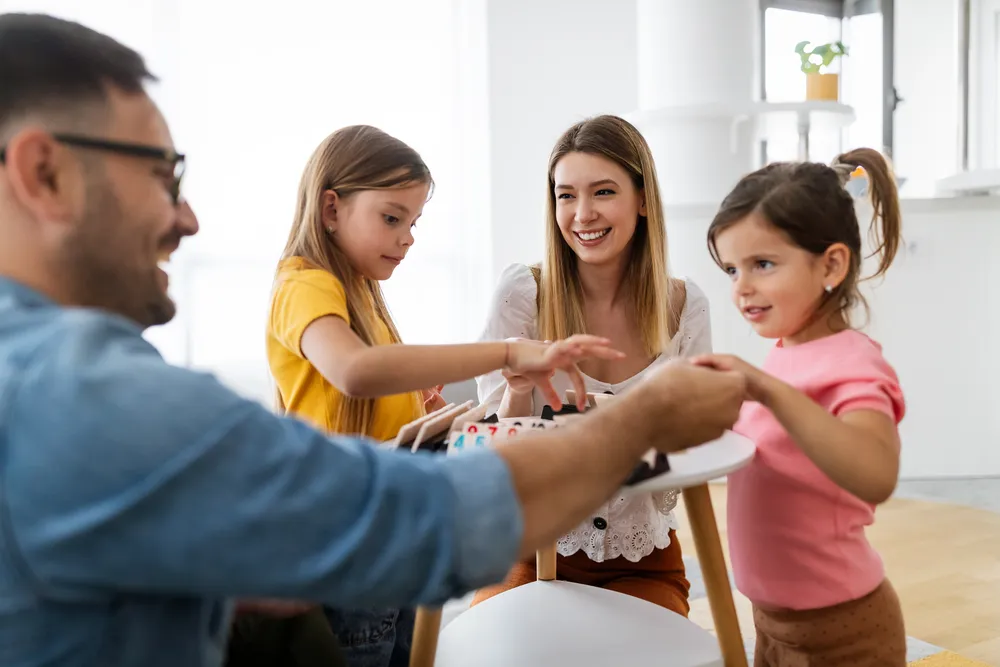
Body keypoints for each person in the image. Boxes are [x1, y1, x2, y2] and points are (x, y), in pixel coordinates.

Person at [0, 13, 749, 667]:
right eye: (165, 175)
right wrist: (641, 419)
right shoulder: (94, 398)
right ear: (44, 173)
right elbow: (420, 512)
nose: (189, 217)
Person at [264, 123, 626, 666]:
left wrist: (454, 411)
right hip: (347, 543)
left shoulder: (359, 294)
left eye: (413, 223)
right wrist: (505, 353)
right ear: (331, 208)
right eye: (392, 218)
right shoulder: (304, 282)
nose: (408, 237)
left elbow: (385, 415)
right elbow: (356, 372)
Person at [473, 115, 712, 616]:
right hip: (529, 545)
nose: (582, 214)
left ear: (643, 199)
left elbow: (693, 445)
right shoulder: (523, 295)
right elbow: (496, 452)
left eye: (603, 192)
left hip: (641, 558)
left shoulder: (686, 307)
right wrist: (519, 395)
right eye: (565, 195)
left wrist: (629, 424)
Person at [692, 149, 906, 666]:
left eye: (762, 264)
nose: (741, 288)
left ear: (831, 263)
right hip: (772, 622)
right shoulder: (785, 354)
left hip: (844, 630)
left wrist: (764, 389)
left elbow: (877, 474)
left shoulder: (852, 364)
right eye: (731, 269)